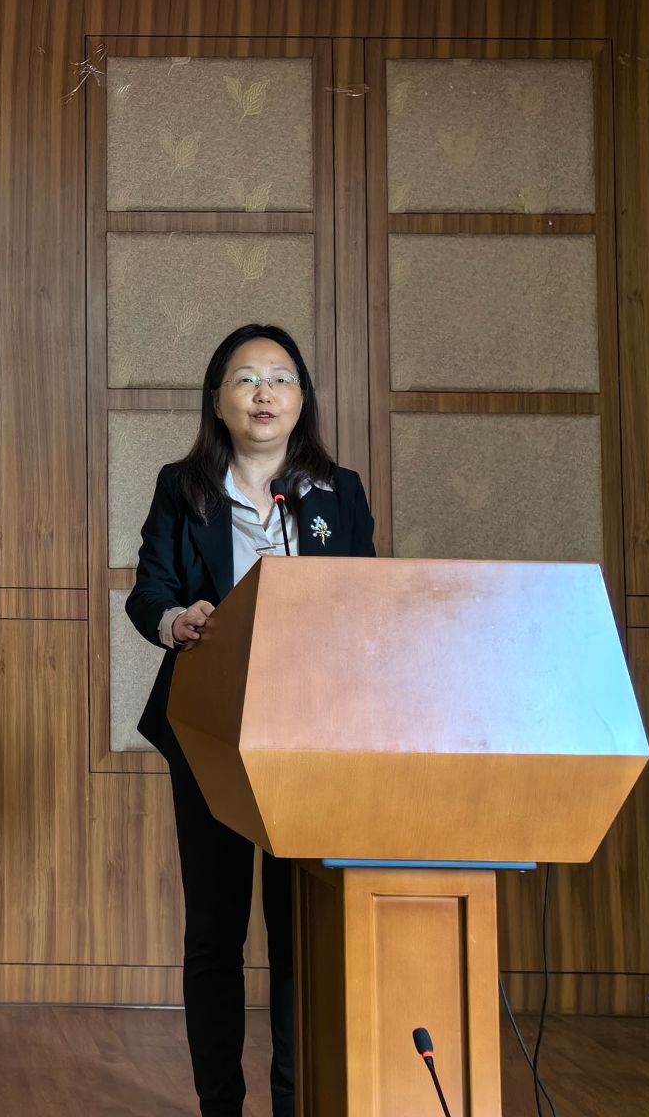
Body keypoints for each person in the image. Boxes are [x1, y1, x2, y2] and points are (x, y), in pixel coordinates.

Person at [123, 322, 376, 1117]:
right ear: (218, 402)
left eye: (279, 378)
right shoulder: (183, 487)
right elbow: (149, 591)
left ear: (302, 399)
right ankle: (220, 1105)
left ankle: (295, 1100)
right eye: (245, 379)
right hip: (211, 730)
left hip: (311, 737)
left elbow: (366, 600)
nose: (263, 393)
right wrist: (177, 622)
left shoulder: (338, 492)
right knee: (216, 931)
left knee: (299, 930)